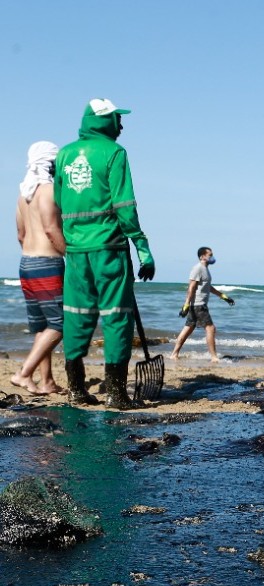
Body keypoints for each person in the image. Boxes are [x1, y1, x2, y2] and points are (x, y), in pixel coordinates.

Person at [54, 99, 155, 409]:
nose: (120, 126)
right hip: (109, 249)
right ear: (104, 123)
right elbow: (124, 205)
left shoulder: (65, 154)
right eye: (116, 120)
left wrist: (70, 241)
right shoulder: (114, 153)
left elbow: (59, 201)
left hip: (76, 252)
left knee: (76, 315)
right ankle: (116, 394)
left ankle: (75, 388)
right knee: (116, 317)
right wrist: (142, 247)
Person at [11, 141, 66, 395]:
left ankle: (46, 382)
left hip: (26, 263)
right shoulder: (48, 190)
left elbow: (21, 235)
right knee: (59, 324)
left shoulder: (23, 195)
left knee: (42, 326)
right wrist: (72, 255)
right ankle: (23, 374)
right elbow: (51, 229)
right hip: (47, 264)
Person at [169, 247, 235, 362]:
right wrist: (186, 305)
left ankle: (174, 354)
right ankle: (214, 357)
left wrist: (223, 296)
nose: (212, 257)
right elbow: (191, 287)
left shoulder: (205, 269)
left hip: (198, 305)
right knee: (211, 328)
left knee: (188, 329)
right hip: (199, 305)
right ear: (202, 256)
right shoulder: (198, 268)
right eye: (210, 255)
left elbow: (208, 287)